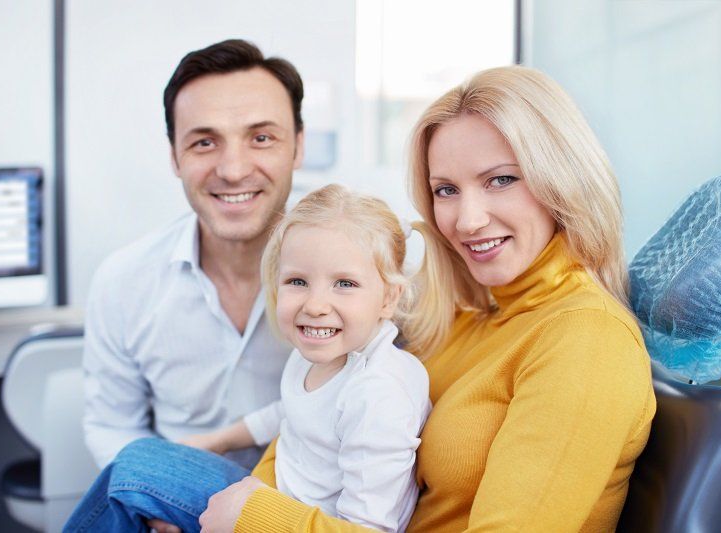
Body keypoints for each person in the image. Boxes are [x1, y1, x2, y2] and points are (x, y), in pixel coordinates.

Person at [77, 65, 658, 533]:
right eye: (446, 190)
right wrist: (247, 498)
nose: (467, 218)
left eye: (501, 179)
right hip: (303, 509)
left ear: (562, 176)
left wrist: (254, 516)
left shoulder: (586, 341)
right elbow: (314, 422)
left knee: (136, 470)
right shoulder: (473, 309)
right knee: (138, 473)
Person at [66, 184, 435, 532]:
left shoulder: (379, 394)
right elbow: (289, 412)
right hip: (267, 494)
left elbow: (367, 528)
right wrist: (217, 441)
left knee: (135, 468)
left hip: (275, 519)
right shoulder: (318, 356)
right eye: (298, 281)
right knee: (137, 466)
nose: (316, 306)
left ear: (389, 298)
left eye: (345, 284)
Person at [82, 38, 305, 471]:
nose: (234, 169)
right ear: (174, 157)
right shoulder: (123, 281)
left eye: (261, 138)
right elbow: (111, 425)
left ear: (297, 146)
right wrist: (158, 493)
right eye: (204, 143)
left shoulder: (365, 272)